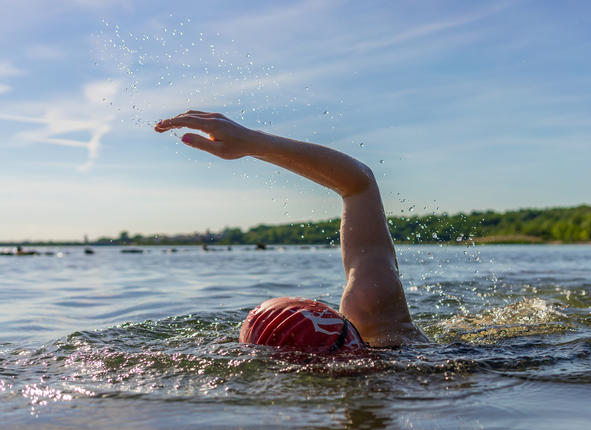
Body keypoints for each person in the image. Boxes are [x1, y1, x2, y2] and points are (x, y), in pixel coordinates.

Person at [155, 111, 429, 350]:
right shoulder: (381, 324)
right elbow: (360, 184)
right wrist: (253, 142)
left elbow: (359, 186)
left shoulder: (380, 328)